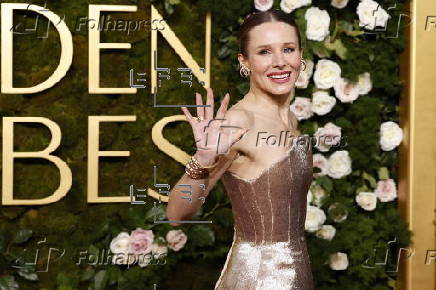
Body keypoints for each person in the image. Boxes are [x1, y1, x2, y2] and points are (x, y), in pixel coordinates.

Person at [166, 9, 314, 290]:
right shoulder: (238, 122)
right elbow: (176, 213)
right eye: (264, 52)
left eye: (288, 49)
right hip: (257, 280)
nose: (280, 62)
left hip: (298, 275)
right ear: (244, 62)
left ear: (300, 55)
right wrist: (202, 160)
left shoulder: (290, 117)